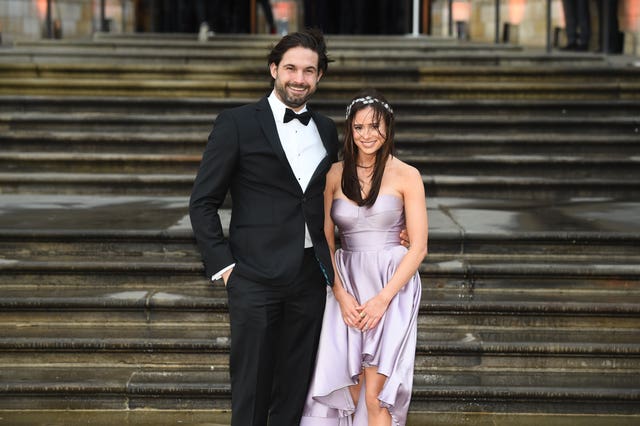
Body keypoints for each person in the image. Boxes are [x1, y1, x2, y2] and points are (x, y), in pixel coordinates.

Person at [189, 29, 339, 426]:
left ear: (319, 76)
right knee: (252, 390)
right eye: (290, 68)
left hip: (309, 277)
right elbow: (203, 201)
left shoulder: (326, 129)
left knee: (295, 390)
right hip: (253, 277)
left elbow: (330, 197)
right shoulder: (236, 123)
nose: (299, 78)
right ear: (274, 69)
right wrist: (225, 268)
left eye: (309, 70)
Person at [300, 90, 429, 425]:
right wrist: (340, 294)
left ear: (388, 128)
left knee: (376, 396)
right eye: (359, 128)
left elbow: (419, 247)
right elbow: (326, 241)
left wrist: (383, 299)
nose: (367, 135)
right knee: (350, 386)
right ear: (350, 131)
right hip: (347, 281)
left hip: (392, 284)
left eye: (375, 126)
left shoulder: (407, 175)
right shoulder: (333, 175)